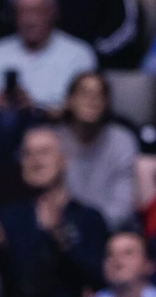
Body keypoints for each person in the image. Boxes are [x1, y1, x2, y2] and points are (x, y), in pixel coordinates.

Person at [0, 126, 107, 297]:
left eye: (44, 152)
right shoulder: (7, 219)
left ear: (63, 159)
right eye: (28, 154)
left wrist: (60, 239)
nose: (35, 161)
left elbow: (98, 280)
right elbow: (11, 288)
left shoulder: (88, 218)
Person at [0, 0, 96, 123]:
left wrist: (34, 108)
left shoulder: (79, 54)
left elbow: (84, 109)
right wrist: (3, 102)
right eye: (22, 12)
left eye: (37, 11)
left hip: (57, 129)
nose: (29, 20)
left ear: (52, 12)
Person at [57, 71, 138, 230]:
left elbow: (122, 205)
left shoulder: (121, 140)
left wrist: (92, 226)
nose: (92, 99)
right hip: (63, 229)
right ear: (69, 100)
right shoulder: (54, 140)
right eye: (84, 93)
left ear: (106, 103)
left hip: (110, 229)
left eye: (99, 94)